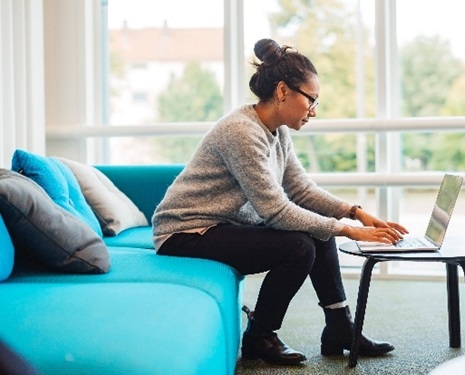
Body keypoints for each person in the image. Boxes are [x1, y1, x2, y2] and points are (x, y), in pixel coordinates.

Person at [152, 38, 408, 366]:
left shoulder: (276, 130)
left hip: (220, 226)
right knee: (300, 247)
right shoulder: (241, 132)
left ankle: (340, 329)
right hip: (185, 234)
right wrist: (349, 231)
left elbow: (300, 189)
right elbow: (274, 211)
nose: (313, 111)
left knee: (319, 231)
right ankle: (259, 336)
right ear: (284, 91)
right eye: (311, 100)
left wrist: (357, 213)